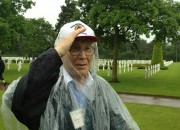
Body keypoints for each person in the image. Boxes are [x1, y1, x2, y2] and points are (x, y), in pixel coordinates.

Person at [1, 20, 140, 130]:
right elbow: (20, 100)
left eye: (88, 48)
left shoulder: (101, 86)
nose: (83, 56)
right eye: (74, 48)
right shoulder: (49, 86)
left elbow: (122, 124)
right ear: (62, 52)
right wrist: (56, 52)